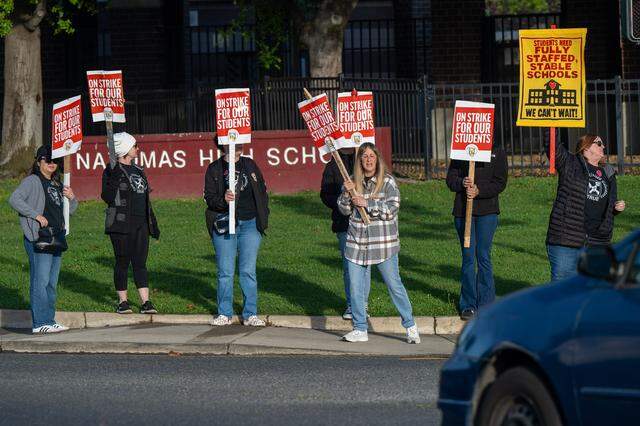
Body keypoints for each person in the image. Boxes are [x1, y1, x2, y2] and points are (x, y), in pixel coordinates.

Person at [337, 142, 420, 344]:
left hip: (383, 244)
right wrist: (347, 194)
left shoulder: (388, 182)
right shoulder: (352, 182)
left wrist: (368, 204)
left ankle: (410, 325)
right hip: (357, 242)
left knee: (394, 285)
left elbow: (392, 209)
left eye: (371, 156)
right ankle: (360, 328)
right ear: (359, 160)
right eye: (364, 156)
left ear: (377, 159)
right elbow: (344, 210)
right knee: (355, 287)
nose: (368, 160)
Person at [9, 146, 78, 334]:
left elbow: (68, 212)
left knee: (51, 283)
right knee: (40, 281)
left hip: (56, 237)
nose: (51, 164)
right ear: (38, 161)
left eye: (54, 160)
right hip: (38, 238)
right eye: (47, 160)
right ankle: (40, 323)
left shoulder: (56, 183)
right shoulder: (32, 180)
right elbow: (15, 199)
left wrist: (72, 199)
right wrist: (36, 216)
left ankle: (49, 319)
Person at [204, 140, 269, 327]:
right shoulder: (214, 169)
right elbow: (209, 198)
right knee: (225, 271)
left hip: (250, 224)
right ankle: (224, 313)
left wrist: (263, 216)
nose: (239, 145)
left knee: (248, 271)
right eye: (234, 142)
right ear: (223, 144)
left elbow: (262, 191)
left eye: (241, 142)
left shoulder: (250, 164)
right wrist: (223, 200)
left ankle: (250, 314)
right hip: (225, 224)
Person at [545, 133, 625, 282]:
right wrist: (551, 124)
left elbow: (609, 204)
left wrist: (616, 208)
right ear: (586, 147)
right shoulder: (570, 163)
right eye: (599, 144)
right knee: (563, 290)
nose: (604, 147)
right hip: (566, 240)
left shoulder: (608, 172)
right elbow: (553, 148)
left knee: (592, 290)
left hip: (597, 243)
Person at [446, 147, 508, 320]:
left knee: (483, 256)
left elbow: (500, 182)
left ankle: (487, 304)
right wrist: (462, 183)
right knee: (468, 257)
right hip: (463, 212)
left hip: (487, 212)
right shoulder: (460, 150)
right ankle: (468, 305)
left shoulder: (498, 151)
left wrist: (479, 190)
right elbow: (451, 180)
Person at [101, 132, 160, 314]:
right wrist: (115, 177)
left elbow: (145, 199)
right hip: (120, 224)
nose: (137, 149)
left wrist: (153, 224)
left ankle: (146, 302)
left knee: (140, 263)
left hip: (141, 224)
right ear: (125, 149)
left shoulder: (139, 170)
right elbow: (107, 197)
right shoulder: (111, 170)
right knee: (122, 262)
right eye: (134, 146)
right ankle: (123, 302)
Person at [320, 147, 371, 320]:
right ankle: (352, 304)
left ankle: (363, 304)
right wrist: (342, 197)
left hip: (366, 223)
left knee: (366, 264)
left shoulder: (364, 160)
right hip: (344, 223)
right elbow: (325, 194)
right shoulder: (334, 165)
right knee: (350, 266)